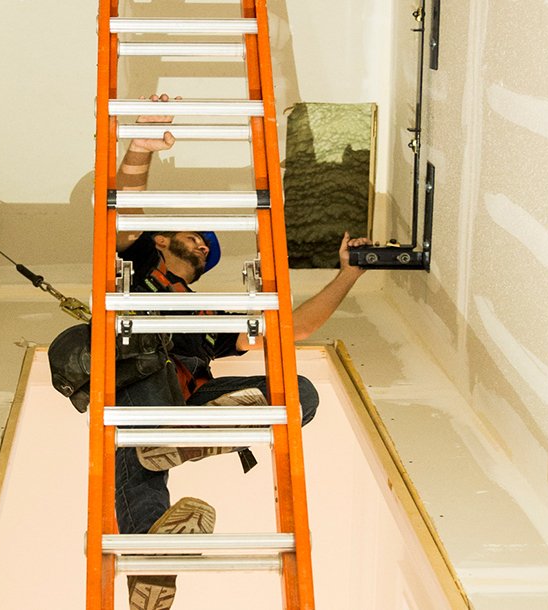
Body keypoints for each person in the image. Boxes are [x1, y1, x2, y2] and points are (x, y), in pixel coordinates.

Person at [112, 95, 372, 610]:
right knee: (135, 443)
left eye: (210, 246)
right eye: (196, 237)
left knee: (299, 393)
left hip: (194, 395)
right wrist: (140, 148)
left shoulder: (210, 314)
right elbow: (126, 208)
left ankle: (178, 452)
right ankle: (154, 556)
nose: (205, 246)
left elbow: (291, 330)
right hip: (139, 381)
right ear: (162, 240)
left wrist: (349, 274)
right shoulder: (139, 266)